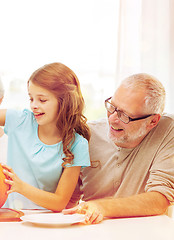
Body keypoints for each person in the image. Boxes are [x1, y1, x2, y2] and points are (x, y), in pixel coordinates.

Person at [0, 62, 91, 211]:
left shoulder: (77, 144)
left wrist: (20, 186)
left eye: (42, 100)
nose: (33, 105)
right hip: (12, 218)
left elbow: (59, 203)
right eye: (31, 98)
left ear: (64, 102)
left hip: (49, 222)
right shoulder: (20, 121)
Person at [64, 73, 174, 224]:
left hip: (143, 232)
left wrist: (101, 206)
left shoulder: (168, 131)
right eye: (112, 107)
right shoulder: (87, 136)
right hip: (92, 231)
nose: (112, 118)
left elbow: (159, 199)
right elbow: (67, 199)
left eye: (125, 115)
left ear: (153, 121)